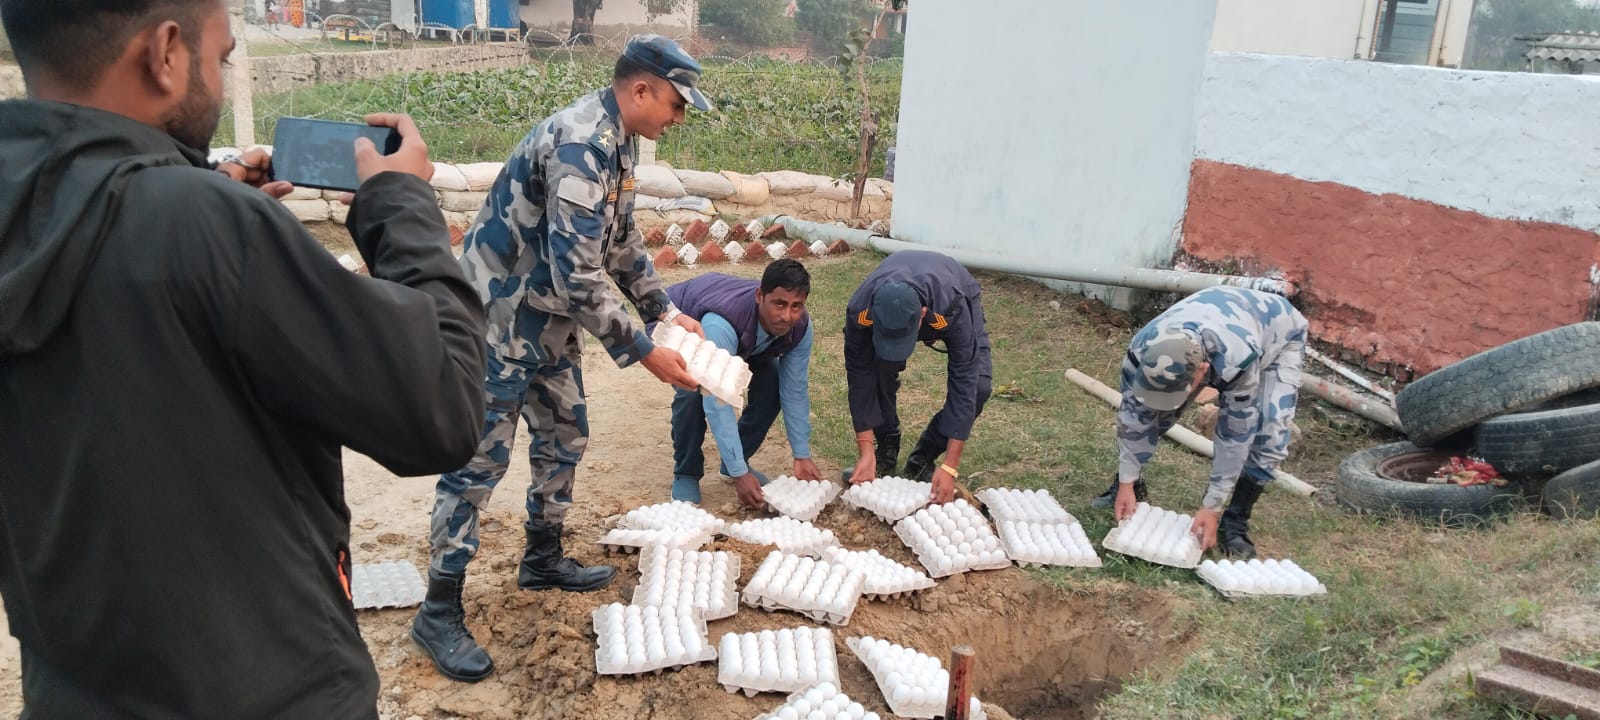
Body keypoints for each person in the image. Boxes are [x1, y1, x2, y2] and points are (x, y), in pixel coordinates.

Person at [0, 0, 486, 717]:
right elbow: (443, 409)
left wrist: (185, 193)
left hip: (77, 688)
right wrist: (400, 204)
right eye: (222, 57)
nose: (223, 77)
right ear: (165, 53)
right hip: (268, 690)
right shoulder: (210, 229)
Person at [413, 34, 713, 683]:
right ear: (641, 90)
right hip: (500, 319)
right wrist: (645, 350)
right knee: (479, 460)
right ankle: (438, 608)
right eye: (675, 104)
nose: (679, 118)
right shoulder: (580, 146)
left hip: (546, 319)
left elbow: (620, 240)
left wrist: (662, 311)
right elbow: (576, 275)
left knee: (564, 434)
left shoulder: (619, 142)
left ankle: (542, 558)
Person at [1091, 286, 1307, 559]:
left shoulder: (1238, 361)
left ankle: (1235, 520)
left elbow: (1235, 436)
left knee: (1269, 433)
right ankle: (1133, 485)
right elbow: (1134, 418)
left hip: (1276, 331)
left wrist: (1212, 506)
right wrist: (1126, 481)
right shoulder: (1140, 351)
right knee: (1152, 413)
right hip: (1214, 318)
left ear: (1203, 372)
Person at [663, 259, 824, 507]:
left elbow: (794, 390)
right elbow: (717, 399)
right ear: (760, 296)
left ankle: (733, 461)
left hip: (745, 340)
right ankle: (686, 472)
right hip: (686, 324)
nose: (787, 316)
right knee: (694, 389)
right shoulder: (721, 324)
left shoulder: (800, 327)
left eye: (796, 306)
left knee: (773, 381)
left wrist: (801, 454)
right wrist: (742, 474)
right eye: (779, 304)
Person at [843, 250, 991, 505]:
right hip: (898, 294)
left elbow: (965, 378)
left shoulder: (952, 308)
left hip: (954, 288)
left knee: (979, 386)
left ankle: (924, 456)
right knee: (877, 370)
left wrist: (950, 466)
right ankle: (885, 450)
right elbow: (859, 374)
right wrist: (864, 449)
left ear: (922, 315)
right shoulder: (861, 310)